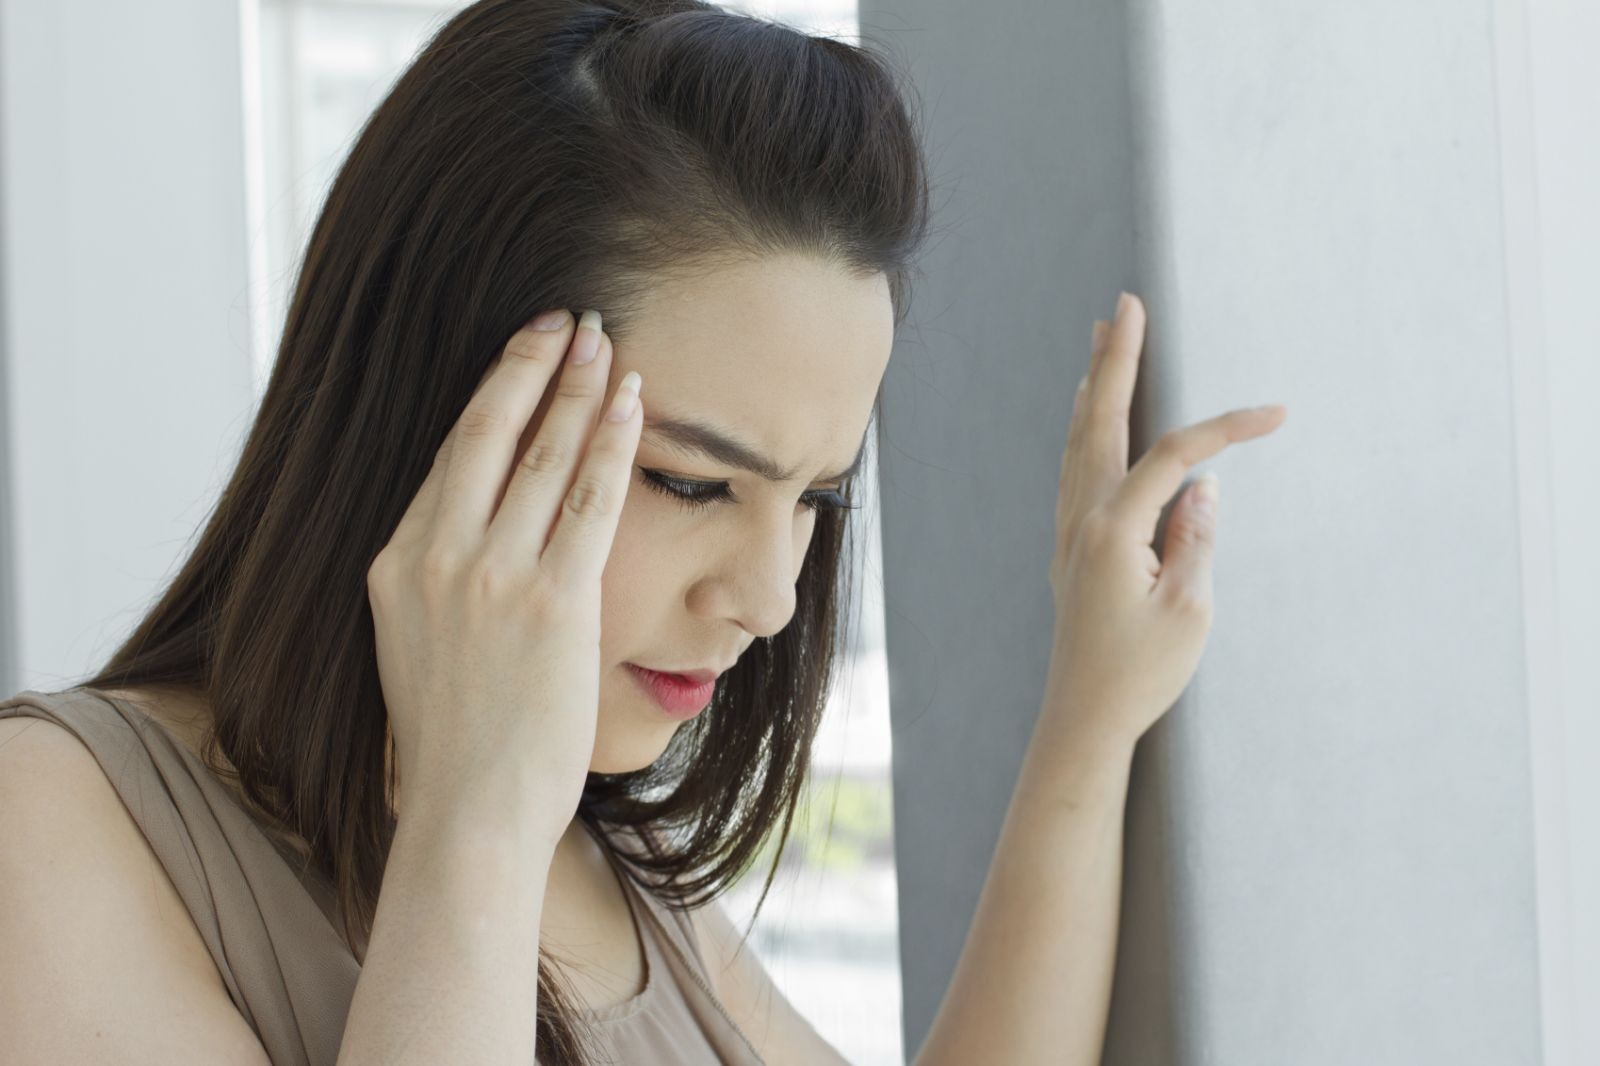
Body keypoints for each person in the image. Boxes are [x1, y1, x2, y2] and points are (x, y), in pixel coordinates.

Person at [0, 0, 1287, 1063]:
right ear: (442, 415)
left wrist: (1088, 717)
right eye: (689, 482)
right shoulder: (52, 827)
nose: (774, 599)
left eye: (816, 500)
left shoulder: (597, 852)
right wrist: (472, 825)